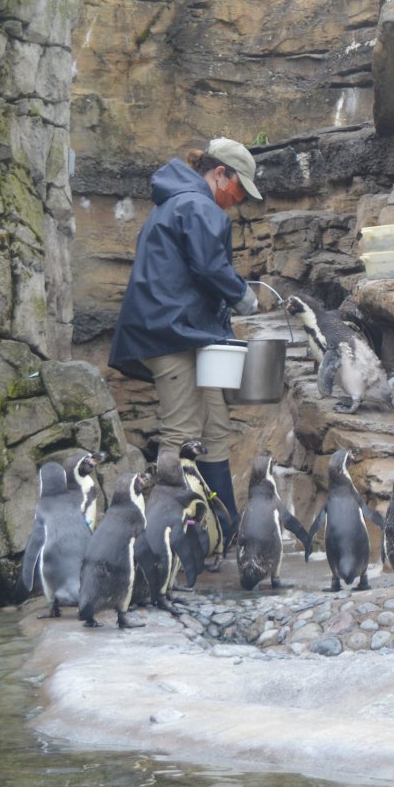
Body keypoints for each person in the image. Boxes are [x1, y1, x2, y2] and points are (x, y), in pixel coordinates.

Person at [109, 137, 265, 535]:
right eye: (238, 190)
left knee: (214, 428)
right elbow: (210, 266)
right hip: (171, 335)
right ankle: (166, 541)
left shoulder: (176, 203)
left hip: (187, 334)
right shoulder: (197, 205)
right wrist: (244, 296)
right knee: (182, 435)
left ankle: (224, 529)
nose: (237, 201)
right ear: (220, 174)